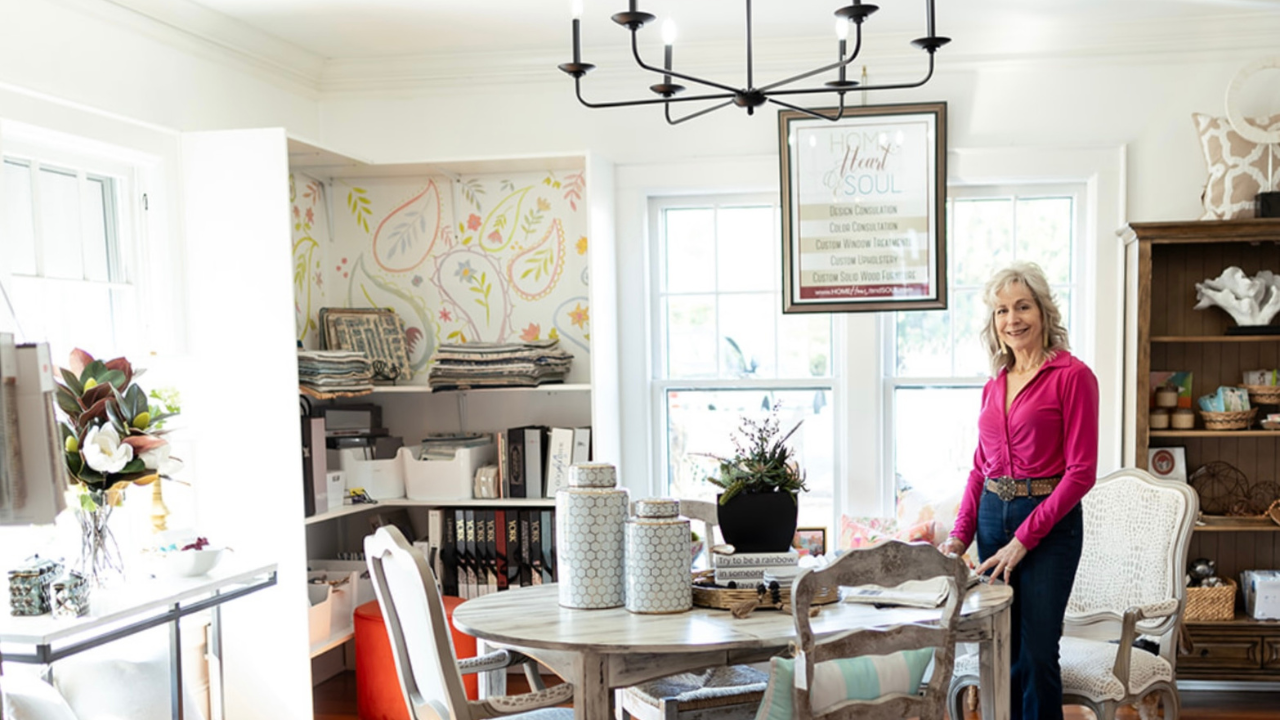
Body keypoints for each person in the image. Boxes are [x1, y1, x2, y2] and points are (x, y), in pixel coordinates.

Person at [937, 261, 1099, 720]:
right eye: (1002, 310)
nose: (1013, 319)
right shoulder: (995, 384)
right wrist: (958, 536)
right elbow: (979, 469)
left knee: (1037, 653)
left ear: (1044, 312)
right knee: (1001, 651)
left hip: (1049, 525)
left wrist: (1025, 538)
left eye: (1023, 306)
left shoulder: (1073, 376)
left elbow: (1082, 472)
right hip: (992, 518)